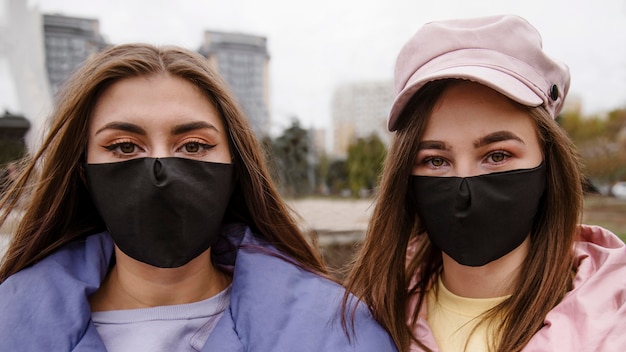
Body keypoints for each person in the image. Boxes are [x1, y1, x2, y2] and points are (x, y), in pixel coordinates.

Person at [0, 44, 396, 351]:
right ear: (82, 173)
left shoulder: (336, 329)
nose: (160, 172)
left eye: (192, 146)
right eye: (124, 147)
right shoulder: (11, 321)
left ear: (235, 168)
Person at [343, 14, 626, 351]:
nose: (465, 188)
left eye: (497, 155)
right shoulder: (363, 318)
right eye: (436, 160)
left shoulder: (614, 316)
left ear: (548, 161)